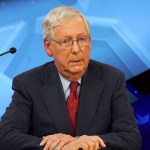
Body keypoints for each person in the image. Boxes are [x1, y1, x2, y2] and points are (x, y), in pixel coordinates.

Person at [0, 6, 141, 150]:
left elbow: (131, 137)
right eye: (66, 42)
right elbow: (6, 135)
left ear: (90, 42)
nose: (76, 49)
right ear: (48, 47)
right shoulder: (28, 83)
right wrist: (55, 146)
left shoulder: (112, 78)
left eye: (82, 39)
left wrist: (88, 142)